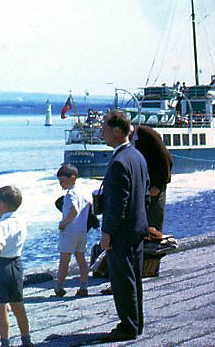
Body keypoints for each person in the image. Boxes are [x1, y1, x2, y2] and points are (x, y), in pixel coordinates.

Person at [98, 109, 150, 342]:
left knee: (122, 279)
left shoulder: (119, 161)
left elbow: (117, 204)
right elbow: (146, 195)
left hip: (122, 231)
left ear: (117, 131)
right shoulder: (136, 156)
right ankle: (136, 323)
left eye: (105, 128)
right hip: (137, 227)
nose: (102, 132)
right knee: (134, 278)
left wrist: (107, 233)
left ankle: (127, 326)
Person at [0, 185, 32, 347]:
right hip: (16, 264)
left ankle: (5, 342)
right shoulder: (21, 221)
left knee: (1, 307)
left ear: (3, 204)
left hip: (1, 266)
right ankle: (27, 339)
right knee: (18, 305)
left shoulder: (0, 225)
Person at [54, 164, 91, 297]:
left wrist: (63, 223)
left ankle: (59, 287)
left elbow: (74, 210)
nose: (61, 185)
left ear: (73, 178)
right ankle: (84, 286)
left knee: (64, 261)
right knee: (81, 259)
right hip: (82, 230)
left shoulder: (70, 194)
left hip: (70, 231)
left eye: (62, 181)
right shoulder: (84, 192)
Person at [132, 125, 173, 237]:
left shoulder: (147, 135)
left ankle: (154, 252)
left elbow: (166, 160)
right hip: (140, 191)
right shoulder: (124, 143)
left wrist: (158, 186)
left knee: (153, 227)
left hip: (154, 188)